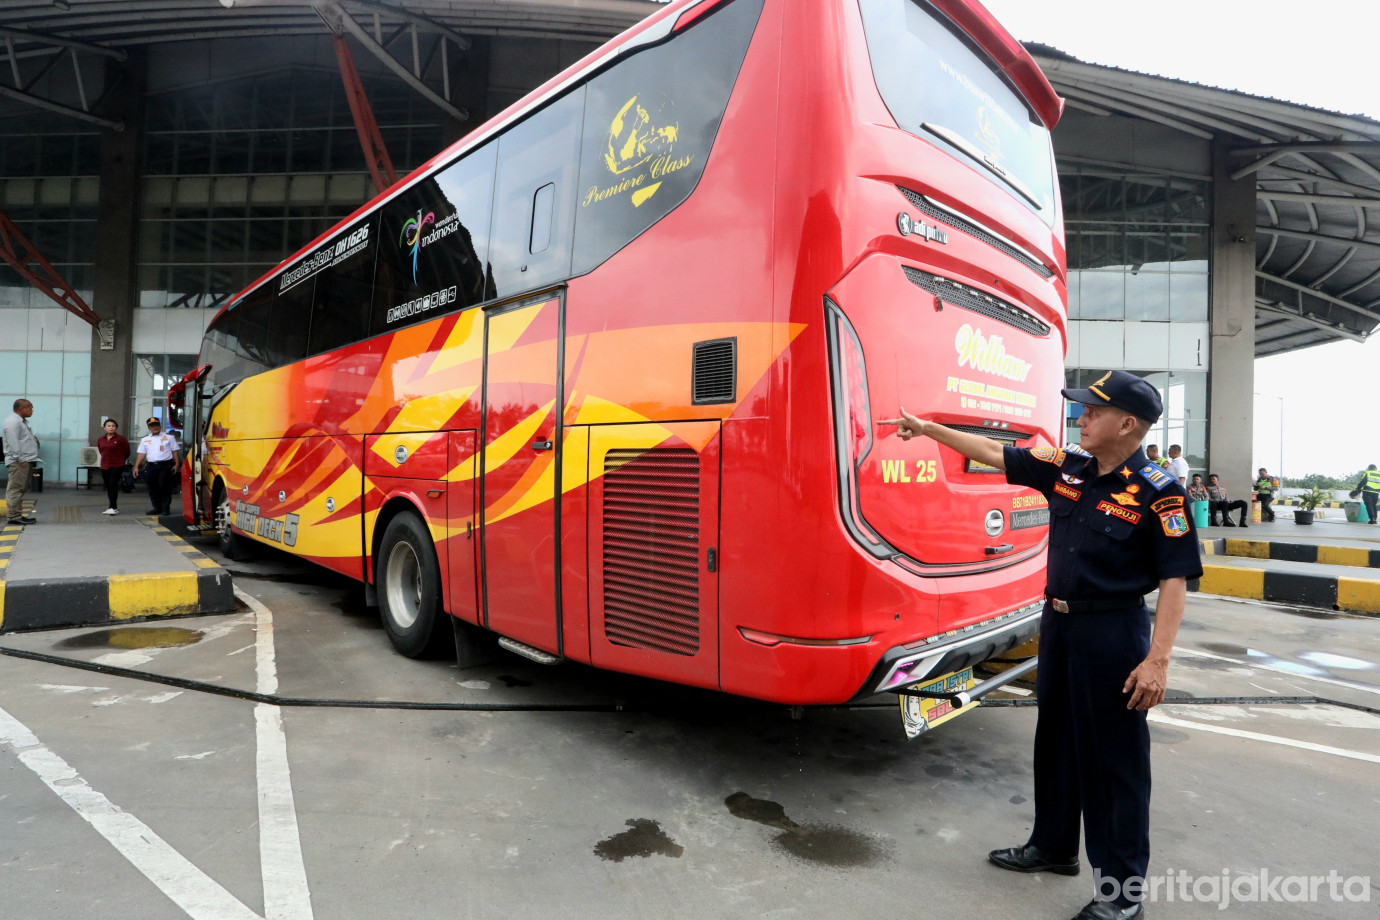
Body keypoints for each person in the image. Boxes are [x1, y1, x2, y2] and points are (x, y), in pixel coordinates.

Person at [880, 370, 1202, 920]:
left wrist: (1158, 659)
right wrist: (930, 428)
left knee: (1114, 764)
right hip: (1059, 626)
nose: (1081, 418)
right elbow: (992, 451)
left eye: (1092, 412)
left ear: (1127, 424)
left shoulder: (1160, 491)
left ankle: (1121, 895)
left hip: (1113, 634)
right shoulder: (1068, 467)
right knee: (1055, 741)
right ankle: (1053, 847)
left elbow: (1176, 578)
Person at [131, 416, 180, 516]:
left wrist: (177, 464)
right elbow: (141, 454)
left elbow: (175, 451)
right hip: (152, 465)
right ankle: (157, 508)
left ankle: (166, 508)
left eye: (157, 425)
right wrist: (136, 466)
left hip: (165, 465)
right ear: (149, 428)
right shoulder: (145, 439)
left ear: (160, 426)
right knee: (152, 487)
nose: (155, 427)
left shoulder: (169, 437)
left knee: (164, 486)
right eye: (152, 426)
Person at [2, 398, 40, 526]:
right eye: (30, 408)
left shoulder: (20, 422)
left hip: (24, 460)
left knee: (20, 488)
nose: (32, 411)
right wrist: (19, 458)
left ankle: (16, 514)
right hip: (19, 461)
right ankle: (14, 516)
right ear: (22, 408)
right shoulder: (13, 422)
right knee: (15, 489)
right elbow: (13, 441)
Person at [96, 419, 131, 515]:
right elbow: (101, 450)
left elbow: (127, 452)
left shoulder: (121, 439)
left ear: (116, 428)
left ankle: (113, 507)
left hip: (117, 465)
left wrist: (120, 460)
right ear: (104, 428)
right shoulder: (100, 439)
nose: (111, 427)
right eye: (109, 425)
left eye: (113, 426)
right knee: (108, 486)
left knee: (112, 484)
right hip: (104, 465)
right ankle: (113, 506)